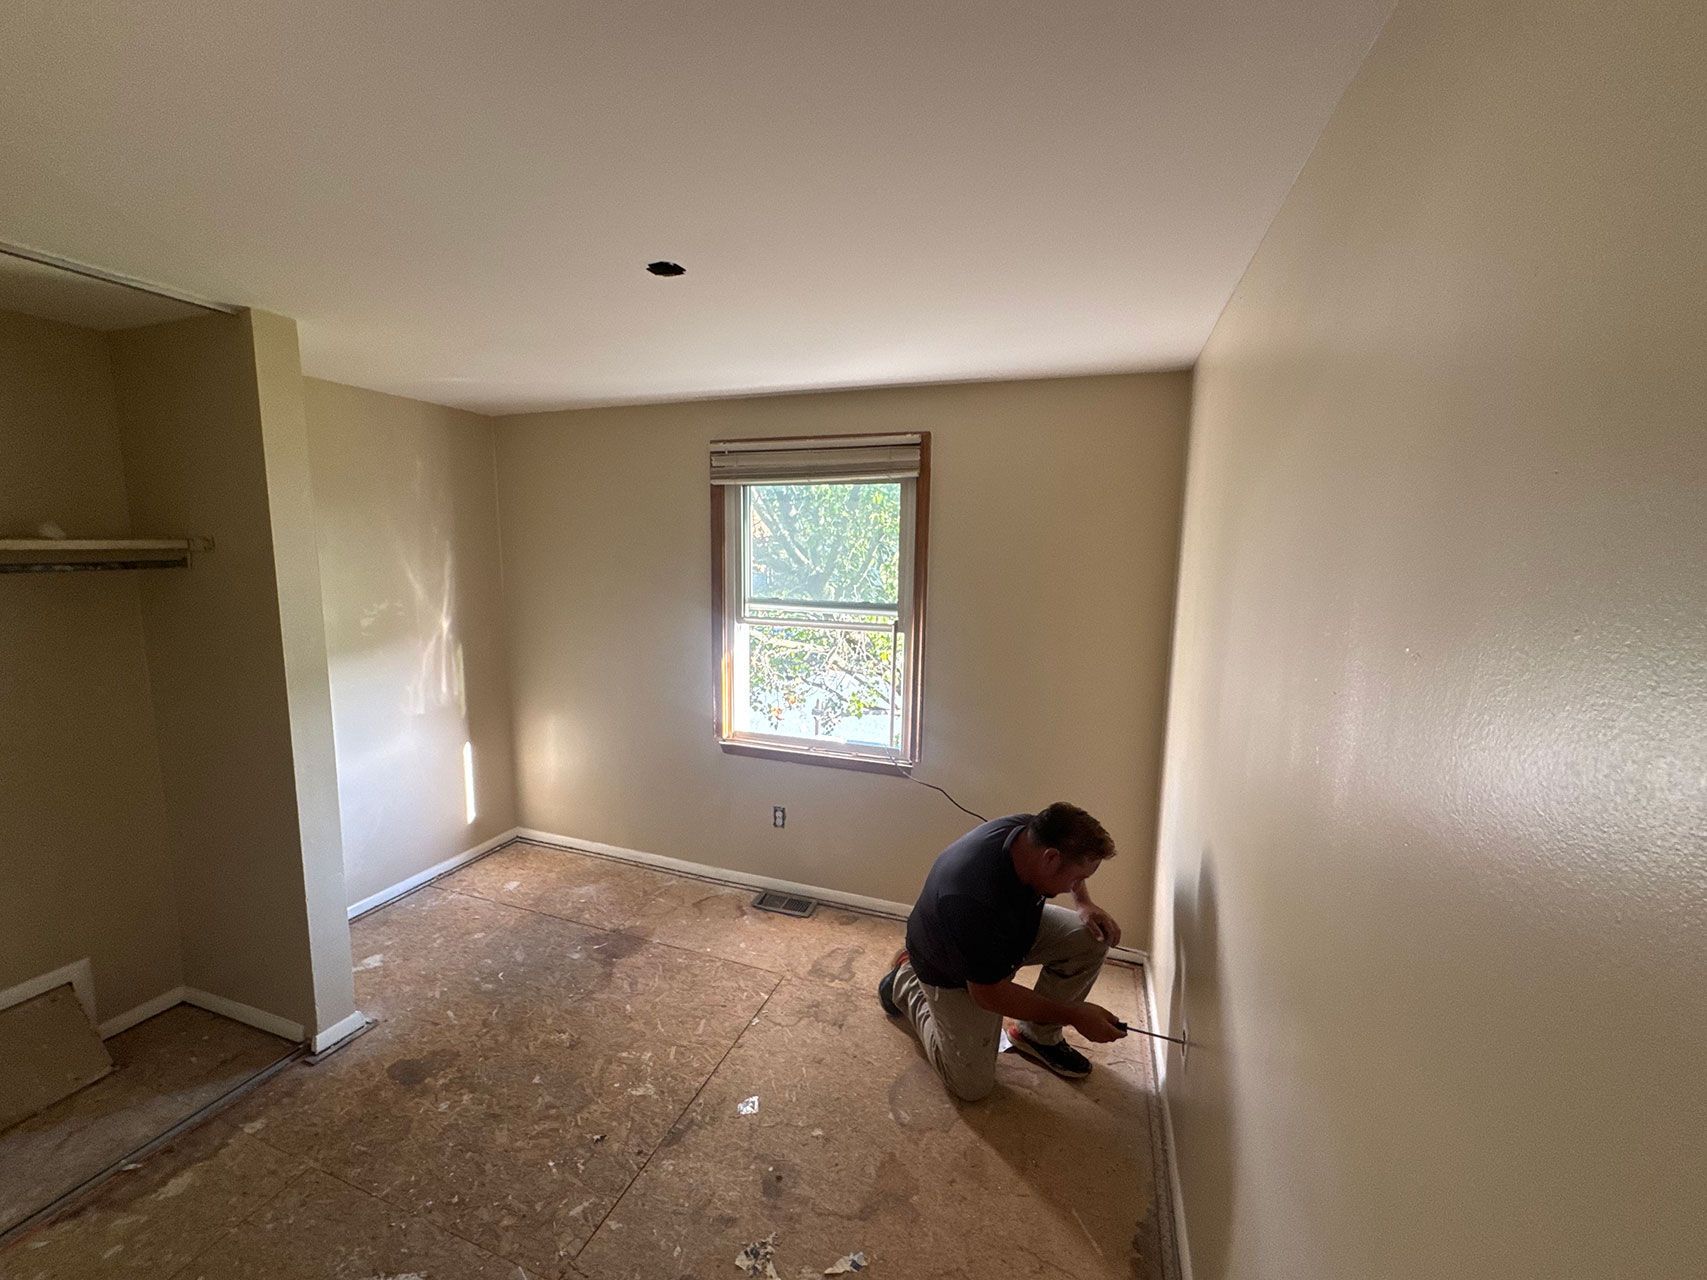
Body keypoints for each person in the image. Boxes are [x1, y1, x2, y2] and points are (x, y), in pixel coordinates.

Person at [879, 802, 1127, 1101]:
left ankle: (1036, 1034)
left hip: (1005, 933)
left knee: (1090, 939)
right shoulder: (972, 897)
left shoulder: (1032, 832)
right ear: (1050, 859)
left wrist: (1083, 904)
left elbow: (1073, 868)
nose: (1075, 885)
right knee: (971, 1085)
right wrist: (1073, 1014)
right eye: (1074, 880)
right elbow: (988, 995)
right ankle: (905, 981)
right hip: (946, 964)